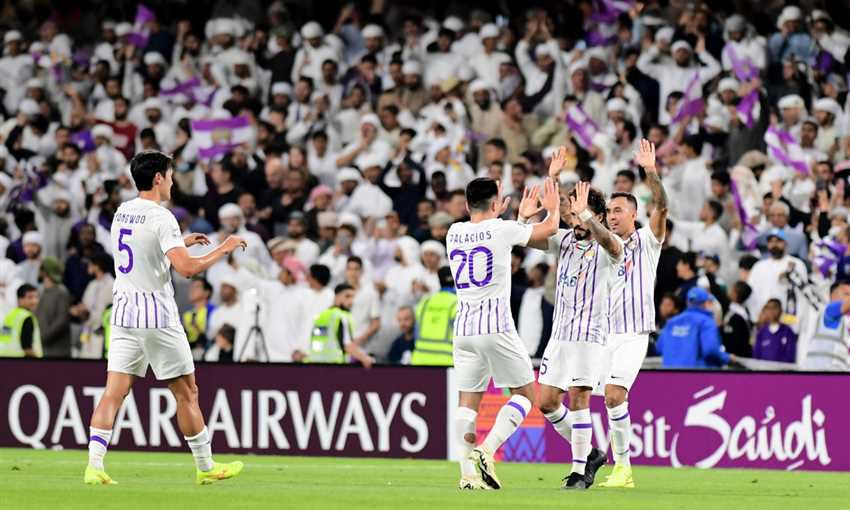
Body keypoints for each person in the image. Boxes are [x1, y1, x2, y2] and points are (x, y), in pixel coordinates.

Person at [84, 151, 247, 486]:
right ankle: (206, 466)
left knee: (114, 392)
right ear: (158, 178)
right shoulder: (162, 217)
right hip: (155, 315)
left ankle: (94, 466)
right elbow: (186, 269)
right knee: (187, 392)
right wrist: (224, 247)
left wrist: (178, 243)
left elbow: (139, 250)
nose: (173, 181)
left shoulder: (122, 211)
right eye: (170, 175)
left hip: (124, 313)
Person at [449, 170, 560, 490]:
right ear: (496, 204)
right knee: (525, 394)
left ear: (467, 204)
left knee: (467, 403)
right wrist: (551, 208)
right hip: (495, 327)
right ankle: (487, 450)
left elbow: (496, 241)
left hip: (464, 330)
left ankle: (467, 476)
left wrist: (519, 220)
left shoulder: (454, 232)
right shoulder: (501, 228)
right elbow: (550, 230)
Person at [525, 176, 624, 490]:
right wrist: (526, 218)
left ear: (598, 216)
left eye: (581, 216)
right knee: (546, 402)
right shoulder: (565, 241)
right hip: (560, 336)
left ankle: (579, 472)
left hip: (589, 335)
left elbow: (611, 244)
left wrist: (586, 215)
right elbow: (528, 239)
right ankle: (591, 454)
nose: (575, 222)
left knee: (579, 398)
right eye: (572, 215)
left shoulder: (609, 246)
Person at [596, 139, 667, 488]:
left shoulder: (648, 241)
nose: (612, 216)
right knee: (585, 397)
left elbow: (662, 205)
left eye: (619, 210)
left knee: (614, 395)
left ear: (634, 214)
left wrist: (650, 172)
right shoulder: (603, 246)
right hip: (602, 335)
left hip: (633, 334)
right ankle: (587, 462)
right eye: (609, 211)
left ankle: (623, 468)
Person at [657, 287, 736, 368]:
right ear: (706, 303)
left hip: (670, 374)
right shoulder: (706, 322)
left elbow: (659, 347)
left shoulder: (672, 322)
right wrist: (728, 358)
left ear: (688, 302)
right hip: (697, 373)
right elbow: (711, 350)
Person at [303, 283, 374, 366]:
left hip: (314, 363)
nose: (351, 301)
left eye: (353, 297)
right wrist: (365, 358)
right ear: (337, 296)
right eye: (347, 296)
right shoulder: (342, 316)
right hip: (334, 365)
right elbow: (347, 345)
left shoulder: (322, 315)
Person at [409, 266, 456, 366]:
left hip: (420, 361)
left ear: (439, 280)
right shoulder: (458, 303)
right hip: (447, 362)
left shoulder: (425, 302)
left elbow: (416, 332)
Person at [803, 281, 850, 371]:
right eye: (846, 294)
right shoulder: (829, 311)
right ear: (833, 295)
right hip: (820, 373)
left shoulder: (846, 321)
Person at [35, 256, 72, 358]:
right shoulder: (41, 292)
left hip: (58, 352)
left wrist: (44, 337)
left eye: (41, 268)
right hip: (42, 350)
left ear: (45, 271)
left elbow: (62, 321)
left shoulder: (61, 292)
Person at [0, 283, 42, 358]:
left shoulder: (11, 315)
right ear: (20, 299)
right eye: (30, 297)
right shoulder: (27, 317)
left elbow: (5, 338)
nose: (34, 301)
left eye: (36, 297)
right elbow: (27, 349)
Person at [753, 299, 797, 363]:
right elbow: (756, 355)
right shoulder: (761, 332)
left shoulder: (788, 332)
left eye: (774, 307)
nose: (771, 311)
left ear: (781, 310)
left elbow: (790, 356)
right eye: (768, 308)